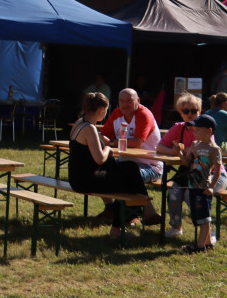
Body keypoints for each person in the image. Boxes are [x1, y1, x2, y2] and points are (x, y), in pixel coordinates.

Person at [69, 93, 162, 239]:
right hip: (85, 180)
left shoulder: (80, 123)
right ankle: (118, 228)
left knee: (130, 167)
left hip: (80, 176)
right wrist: (108, 149)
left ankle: (144, 209)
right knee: (128, 185)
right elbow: (99, 159)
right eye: (106, 110)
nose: (106, 113)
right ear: (101, 110)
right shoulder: (90, 129)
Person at [156, 94, 201, 239]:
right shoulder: (178, 128)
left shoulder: (204, 128)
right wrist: (174, 152)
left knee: (190, 195)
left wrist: (185, 151)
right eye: (186, 111)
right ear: (180, 112)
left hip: (204, 172)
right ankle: (176, 227)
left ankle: (205, 231)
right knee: (173, 193)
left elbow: (203, 151)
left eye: (193, 111)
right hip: (184, 171)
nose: (190, 114)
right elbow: (160, 147)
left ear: (199, 112)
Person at [182, 114, 226, 254]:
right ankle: (207, 243)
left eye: (198, 130)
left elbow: (218, 170)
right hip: (192, 185)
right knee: (196, 215)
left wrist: (212, 187)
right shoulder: (195, 145)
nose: (195, 133)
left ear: (209, 131)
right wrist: (178, 152)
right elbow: (187, 162)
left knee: (204, 218)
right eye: (194, 130)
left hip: (204, 187)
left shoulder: (214, 149)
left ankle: (200, 247)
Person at [101, 88, 163, 186]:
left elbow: (137, 143)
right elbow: (103, 135)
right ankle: (114, 202)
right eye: (122, 101)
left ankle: (139, 201)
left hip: (150, 166)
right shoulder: (116, 114)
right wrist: (103, 139)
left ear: (138, 101)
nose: (125, 104)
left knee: (125, 177)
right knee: (97, 171)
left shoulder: (144, 114)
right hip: (125, 163)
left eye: (129, 101)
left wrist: (112, 142)